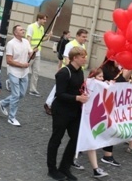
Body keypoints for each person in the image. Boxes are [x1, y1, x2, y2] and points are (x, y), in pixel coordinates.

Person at [46, 46, 89, 181]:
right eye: (82, 57)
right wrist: (77, 98)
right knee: (56, 139)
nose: (85, 59)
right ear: (75, 58)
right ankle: (52, 169)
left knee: (76, 138)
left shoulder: (80, 71)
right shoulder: (64, 73)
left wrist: (82, 93)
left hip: (74, 111)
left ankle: (65, 167)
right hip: (61, 111)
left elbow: (78, 88)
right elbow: (60, 94)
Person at [0, 25, 32, 127]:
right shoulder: (10, 44)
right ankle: (12, 118)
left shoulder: (26, 42)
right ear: (15, 33)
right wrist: (22, 65)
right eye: (21, 30)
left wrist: (33, 53)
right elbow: (9, 61)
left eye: (23, 29)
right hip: (13, 72)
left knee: (21, 94)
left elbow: (31, 54)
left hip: (24, 72)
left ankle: (3, 103)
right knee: (16, 95)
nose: (23, 31)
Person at [27, 13, 49, 97]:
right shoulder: (31, 27)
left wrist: (48, 37)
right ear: (39, 19)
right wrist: (30, 51)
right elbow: (29, 39)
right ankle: (10, 83)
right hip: (31, 52)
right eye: (44, 19)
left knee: (36, 72)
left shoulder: (42, 28)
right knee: (24, 69)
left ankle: (33, 89)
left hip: (38, 52)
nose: (45, 21)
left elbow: (41, 39)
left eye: (45, 19)